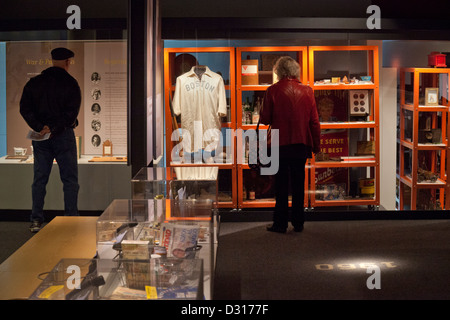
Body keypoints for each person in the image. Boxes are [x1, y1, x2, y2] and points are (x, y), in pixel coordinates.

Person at [20, 47, 82, 233]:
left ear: (52, 60)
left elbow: (25, 109)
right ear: (68, 62)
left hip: (41, 137)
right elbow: (71, 113)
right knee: (70, 180)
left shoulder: (34, 82)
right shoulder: (71, 83)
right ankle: (71, 219)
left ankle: (36, 220)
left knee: (39, 179)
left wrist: (41, 127)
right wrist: (54, 129)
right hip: (63, 135)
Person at [260, 56, 321, 233]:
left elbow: (264, 119)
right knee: (298, 184)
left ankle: (280, 223)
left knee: (280, 185)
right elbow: (314, 122)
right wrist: (316, 145)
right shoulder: (308, 91)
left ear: (279, 71)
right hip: (301, 144)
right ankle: (298, 222)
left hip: (279, 143)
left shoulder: (272, 90)